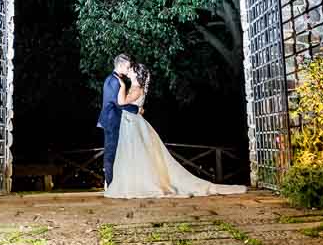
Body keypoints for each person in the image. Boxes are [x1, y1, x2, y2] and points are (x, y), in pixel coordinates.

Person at [104, 61, 248, 199]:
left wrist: (122, 86)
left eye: (132, 69)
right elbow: (130, 105)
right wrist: (137, 108)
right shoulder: (136, 87)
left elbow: (121, 102)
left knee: (136, 154)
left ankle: (141, 184)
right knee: (134, 155)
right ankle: (133, 182)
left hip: (132, 124)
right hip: (131, 123)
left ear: (137, 74)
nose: (129, 70)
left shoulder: (135, 88)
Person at [98, 53, 132, 189]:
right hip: (112, 120)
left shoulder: (114, 79)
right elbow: (118, 103)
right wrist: (136, 109)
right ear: (121, 65)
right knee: (111, 151)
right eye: (128, 67)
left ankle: (112, 182)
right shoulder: (113, 80)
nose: (129, 70)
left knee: (115, 151)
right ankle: (110, 183)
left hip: (113, 119)